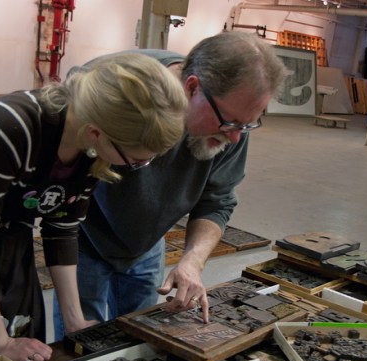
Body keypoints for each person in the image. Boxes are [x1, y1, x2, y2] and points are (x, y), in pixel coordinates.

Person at [0, 53, 188, 361]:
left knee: (23, 344)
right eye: (135, 161)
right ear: (95, 133)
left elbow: (61, 228)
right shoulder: (5, 129)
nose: (136, 168)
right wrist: (1, 342)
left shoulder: (90, 147)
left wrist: (75, 320)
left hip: (10, 235)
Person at [53, 32, 286, 338]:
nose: (235, 137)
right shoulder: (119, 87)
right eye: (230, 123)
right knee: (79, 341)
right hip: (84, 235)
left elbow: (216, 200)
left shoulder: (233, 121)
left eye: (247, 125)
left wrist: (192, 262)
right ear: (192, 89)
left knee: (140, 336)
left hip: (148, 241)